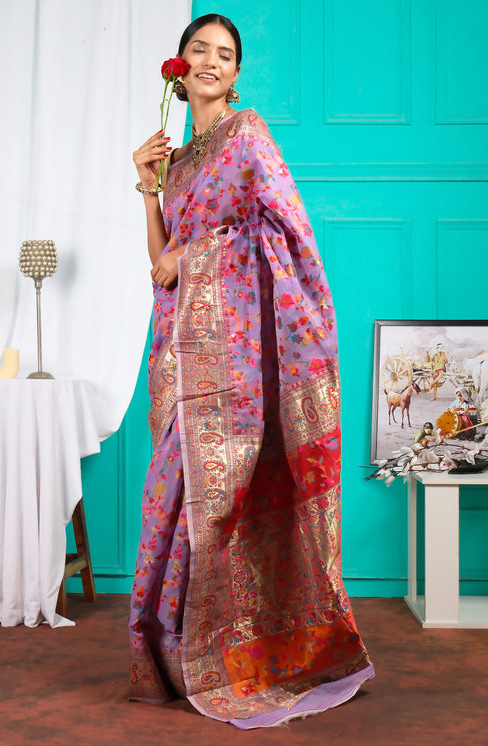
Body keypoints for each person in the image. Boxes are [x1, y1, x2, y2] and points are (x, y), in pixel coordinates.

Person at [128, 13, 374, 729]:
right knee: (169, 498)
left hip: (239, 357)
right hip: (184, 349)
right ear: (177, 65)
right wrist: (148, 188)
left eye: (223, 55)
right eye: (198, 50)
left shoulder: (247, 136)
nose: (209, 62)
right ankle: (175, 655)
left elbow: (284, 233)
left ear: (235, 75)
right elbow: (161, 265)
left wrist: (192, 256)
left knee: (228, 498)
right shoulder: (176, 161)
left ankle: (236, 654)